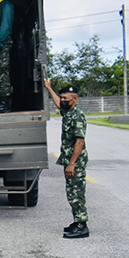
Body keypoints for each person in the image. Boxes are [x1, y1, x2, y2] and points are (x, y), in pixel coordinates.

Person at [43, 79, 89, 238]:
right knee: (72, 193)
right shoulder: (69, 112)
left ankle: (82, 226)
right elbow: (57, 104)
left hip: (75, 162)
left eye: (65, 99)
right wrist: (49, 88)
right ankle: (77, 222)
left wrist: (71, 164)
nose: (62, 101)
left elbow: (79, 141)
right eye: (62, 98)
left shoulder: (77, 116)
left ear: (75, 100)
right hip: (71, 161)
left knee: (77, 194)